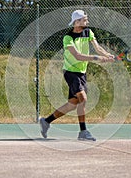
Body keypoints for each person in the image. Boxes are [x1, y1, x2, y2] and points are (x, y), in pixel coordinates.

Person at [39, 10, 114, 141]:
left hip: (82, 73)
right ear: (77, 22)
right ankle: (83, 132)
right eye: (85, 20)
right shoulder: (67, 38)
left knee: (72, 105)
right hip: (70, 73)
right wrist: (97, 58)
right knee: (83, 99)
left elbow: (98, 48)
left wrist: (107, 55)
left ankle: (46, 121)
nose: (87, 22)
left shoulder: (88, 32)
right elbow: (77, 56)